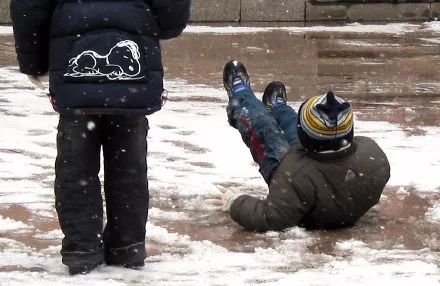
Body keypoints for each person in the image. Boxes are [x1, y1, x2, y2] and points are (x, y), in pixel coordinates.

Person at [11, 0, 191, 275]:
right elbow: (171, 9)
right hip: (132, 51)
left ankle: (82, 249)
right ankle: (127, 246)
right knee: (129, 163)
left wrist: (33, 62)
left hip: (73, 49)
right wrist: (156, 24)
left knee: (75, 165)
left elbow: (29, 6)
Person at [206, 60, 391, 232]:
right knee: (303, 130)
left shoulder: (295, 176)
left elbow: (269, 217)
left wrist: (235, 202)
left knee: (263, 129)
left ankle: (241, 97)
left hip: (296, 180)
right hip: (324, 166)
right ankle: (277, 109)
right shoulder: (374, 154)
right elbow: (325, 142)